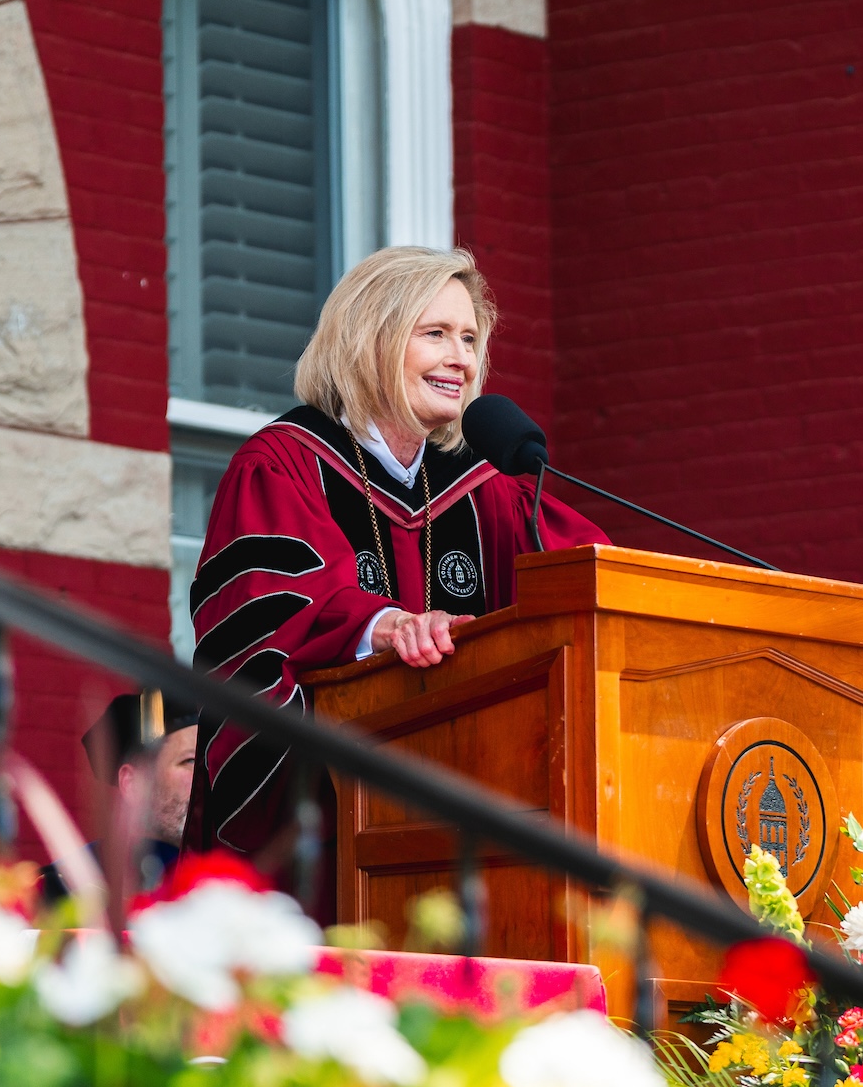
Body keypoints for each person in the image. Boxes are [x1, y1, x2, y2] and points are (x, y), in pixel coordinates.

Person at [182, 247, 606, 910]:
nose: (461, 359)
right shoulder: (284, 465)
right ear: (370, 340)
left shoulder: (485, 489)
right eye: (435, 334)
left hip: (470, 831)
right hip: (332, 832)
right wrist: (381, 625)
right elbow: (262, 620)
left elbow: (591, 587)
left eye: (469, 339)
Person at [40, 690, 198, 903]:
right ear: (134, 785)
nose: (205, 777)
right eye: (189, 761)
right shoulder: (68, 889)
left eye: (208, 763)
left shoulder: (227, 886)